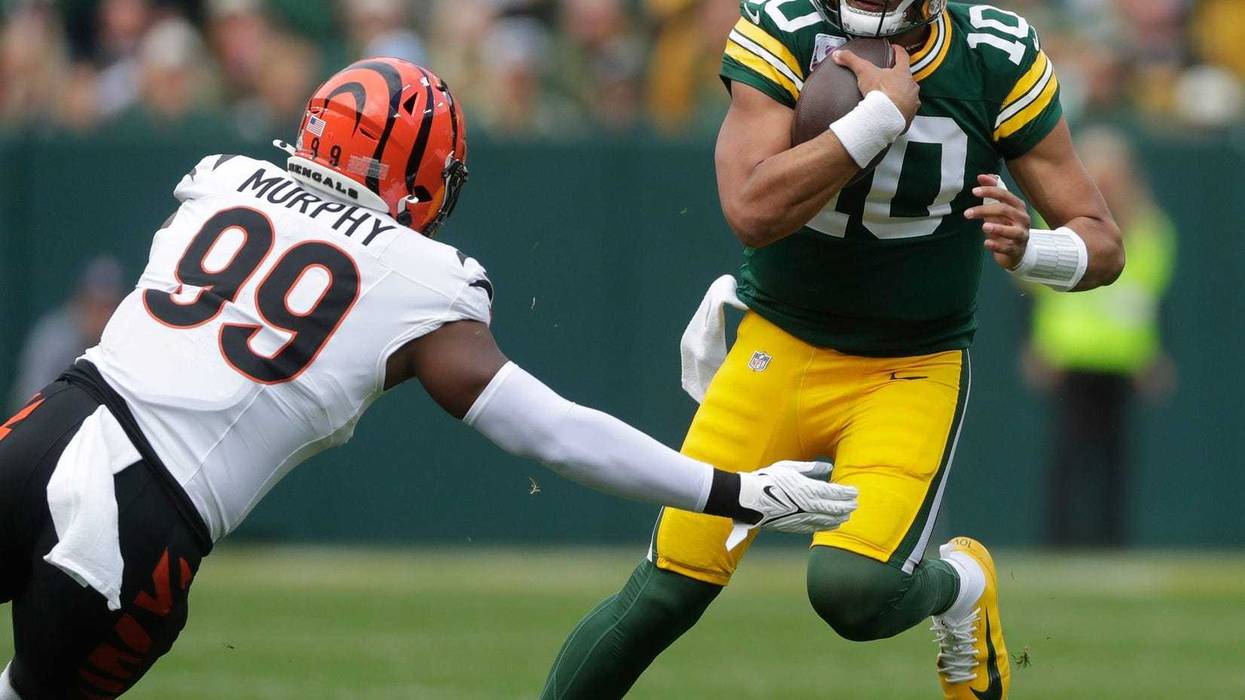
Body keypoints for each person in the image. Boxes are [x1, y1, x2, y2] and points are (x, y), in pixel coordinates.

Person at [0, 58, 860, 699]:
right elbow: (549, 430)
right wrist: (731, 490)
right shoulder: (420, 277)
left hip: (41, 432)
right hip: (147, 516)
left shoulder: (219, 180)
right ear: (419, 170)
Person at [540, 1, 1124, 699]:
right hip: (778, 345)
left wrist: (1034, 249)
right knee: (664, 593)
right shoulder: (781, 29)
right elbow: (751, 211)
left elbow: (1102, 243)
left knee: (853, 591)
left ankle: (961, 586)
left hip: (909, 365)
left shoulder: (992, 54)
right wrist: (874, 120)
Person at [1024, 126, 1176, 548]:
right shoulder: (1060, 222)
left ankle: (1112, 542)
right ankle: (1060, 542)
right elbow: (1032, 294)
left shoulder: (1150, 229)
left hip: (1123, 357)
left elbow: (1153, 297)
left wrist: (1154, 354)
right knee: (1069, 452)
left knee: (1116, 455)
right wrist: (1037, 346)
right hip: (1070, 352)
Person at [9, 257, 123, 412]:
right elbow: (29, 398)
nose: (103, 316)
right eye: (97, 306)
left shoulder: (120, 342)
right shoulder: (55, 337)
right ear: (81, 301)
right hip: (49, 426)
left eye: (109, 307)